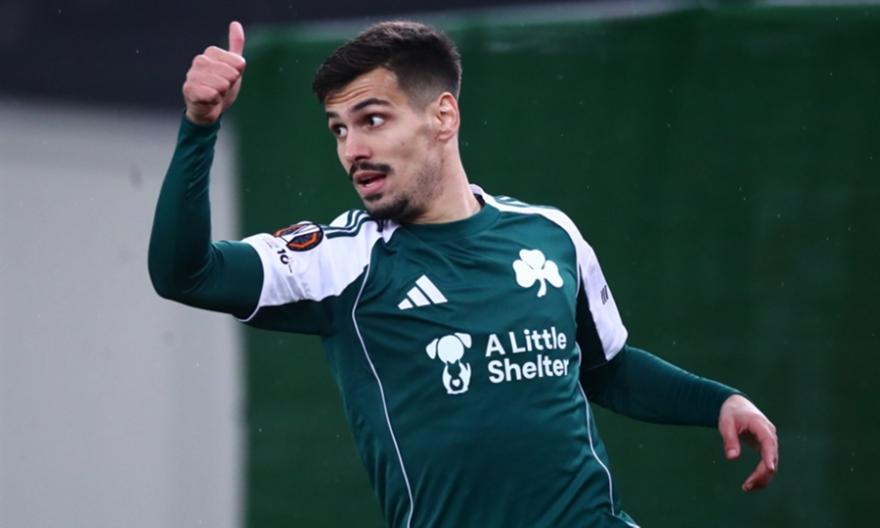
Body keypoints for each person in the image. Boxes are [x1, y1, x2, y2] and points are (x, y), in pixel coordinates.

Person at [149, 20, 778, 527]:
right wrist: (200, 126)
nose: (352, 149)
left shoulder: (549, 235)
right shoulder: (341, 259)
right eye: (338, 130)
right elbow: (186, 273)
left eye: (372, 120)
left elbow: (607, 368)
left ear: (443, 117)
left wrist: (717, 401)